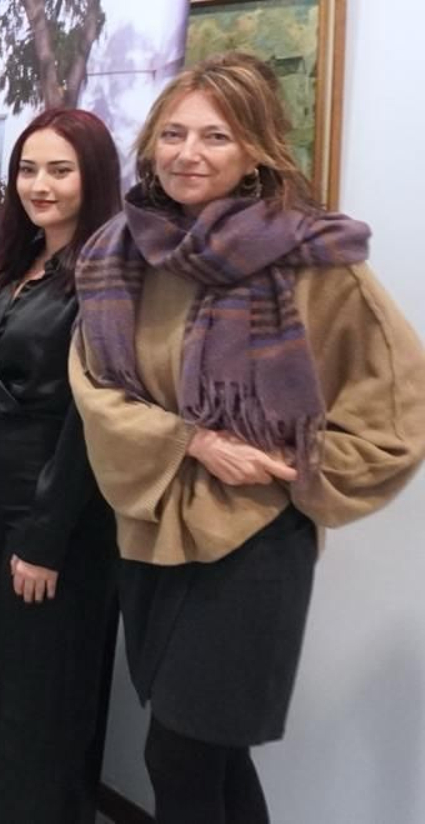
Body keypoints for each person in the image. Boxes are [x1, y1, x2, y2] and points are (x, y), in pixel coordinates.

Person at [70, 53, 425, 824]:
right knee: (211, 755)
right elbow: (93, 386)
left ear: (257, 152)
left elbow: (397, 405)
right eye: (173, 133)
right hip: (150, 530)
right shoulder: (115, 254)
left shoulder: (314, 264)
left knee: (181, 753)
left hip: (255, 544)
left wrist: (302, 471)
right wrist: (190, 441)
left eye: (215, 137)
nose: (188, 153)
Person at [0, 108, 122, 824]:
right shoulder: (18, 262)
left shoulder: (107, 273)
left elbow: (92, 421)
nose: (39, 184)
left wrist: (45, 537)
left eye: (60, 169)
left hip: (56, 512)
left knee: (41, 698)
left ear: (95, 177)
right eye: (27, 168)